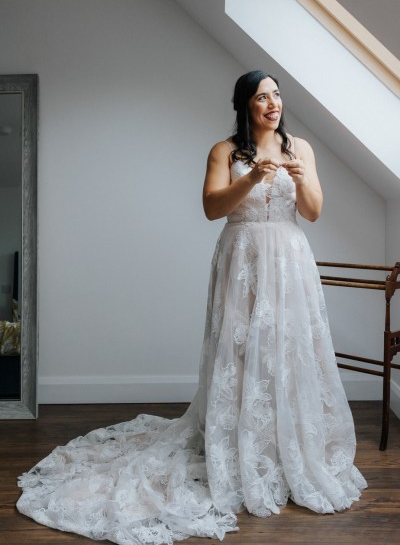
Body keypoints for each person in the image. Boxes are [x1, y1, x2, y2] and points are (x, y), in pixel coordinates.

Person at [16, 70, 367, 544]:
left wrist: (301, 181)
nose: (273, 104)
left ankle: (285, 446)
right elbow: (210, 207)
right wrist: (254, 179)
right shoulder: (225, 151)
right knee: (241, 350)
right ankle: (238, 442)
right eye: (262, 97)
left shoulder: (300, 148)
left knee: (286, 348)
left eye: (277, 95)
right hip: (241, 257)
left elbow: (314, 211)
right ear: (245, 105)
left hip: (289, 261)